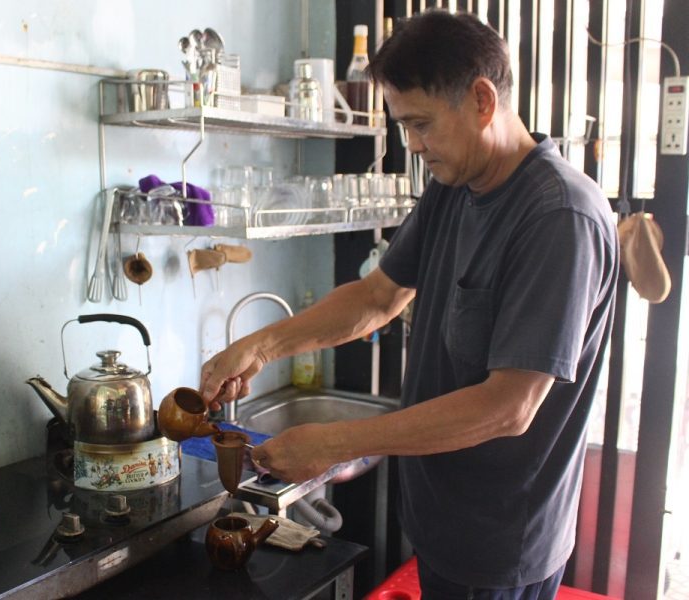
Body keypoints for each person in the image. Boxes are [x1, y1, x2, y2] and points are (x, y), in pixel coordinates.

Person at [200, 9, 619, 600]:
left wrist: (338, 442)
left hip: (501, 545)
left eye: (421, 124)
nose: (413, 145)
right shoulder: (455, 187)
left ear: (481, 99)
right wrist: (259, 344)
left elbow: (509, 408)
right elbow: (377, 297)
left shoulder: (558, 217)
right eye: (404, 126)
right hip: (443, 521)